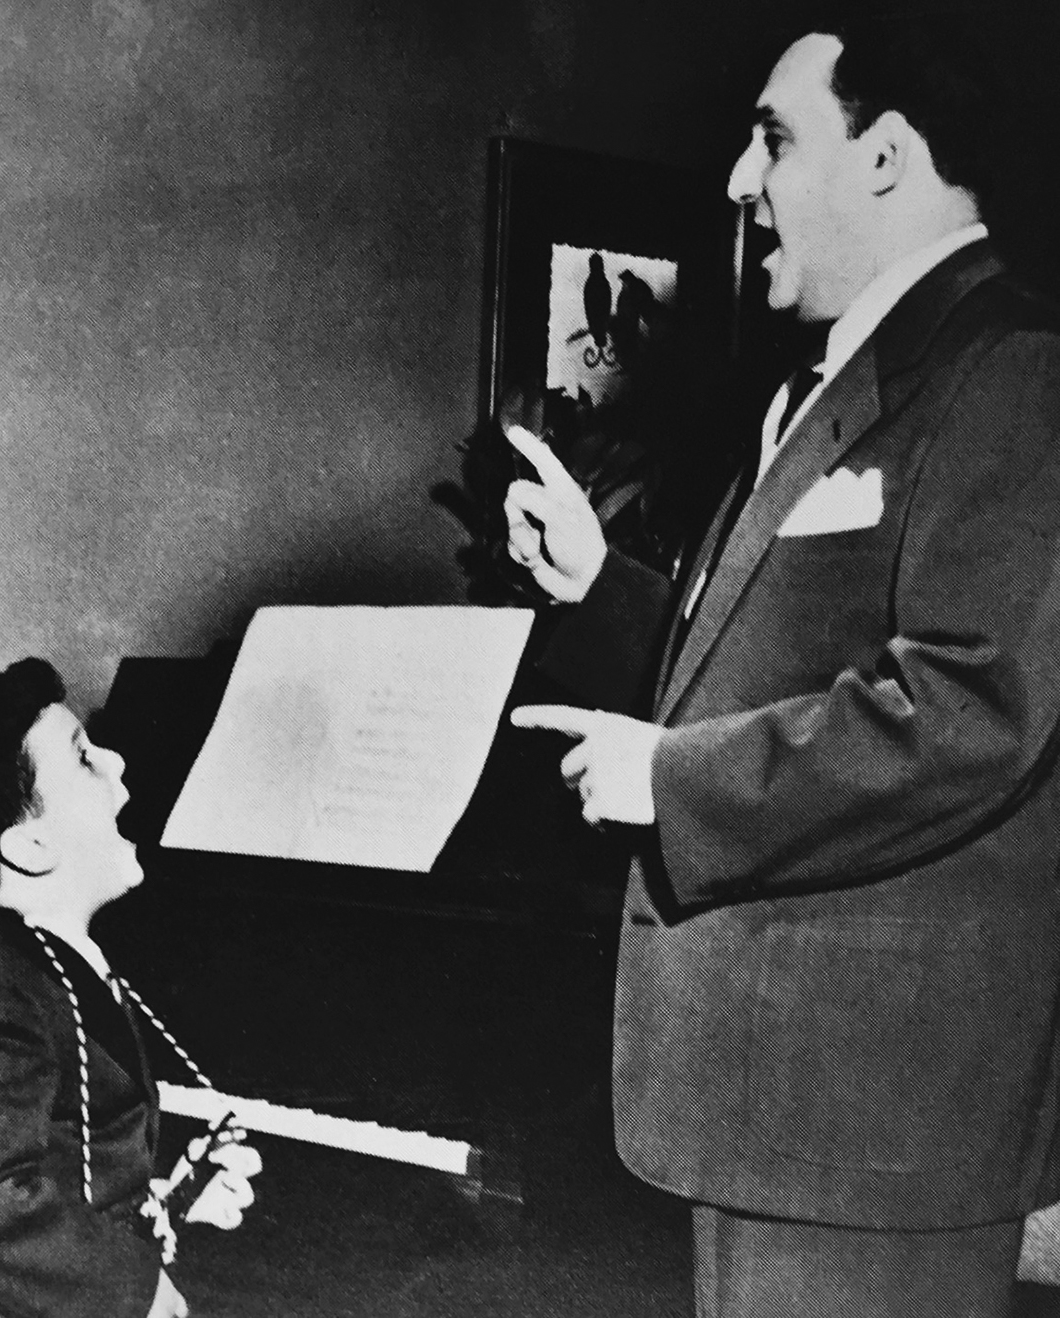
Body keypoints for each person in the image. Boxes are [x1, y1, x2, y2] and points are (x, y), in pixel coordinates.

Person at [503, 16, 1060, 1317]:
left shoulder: (1012, 376)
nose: (742, 184)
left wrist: (674, 781)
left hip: (869, 1123)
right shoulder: (823, 380)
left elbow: (974, 709)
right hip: (762, 1097)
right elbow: (781, 668)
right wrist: (602, 586)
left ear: (887, 158)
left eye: (774, 139)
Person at [0, 658, 257, 1318]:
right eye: (84, 759)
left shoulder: (44, 965)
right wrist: (133, 1289)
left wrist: (164, 1198)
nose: (117, 763)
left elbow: (59, 1159)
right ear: (30, 845)